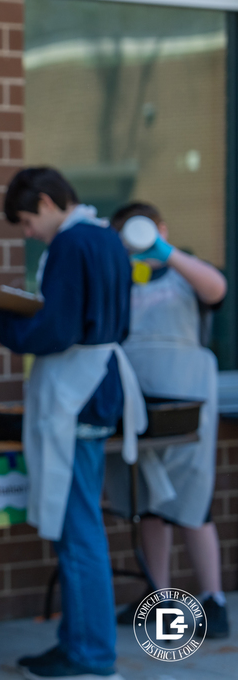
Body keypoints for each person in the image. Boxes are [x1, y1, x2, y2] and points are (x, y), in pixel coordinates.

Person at [0, 168, 144, 680]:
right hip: (102, 387)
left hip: (77, 393)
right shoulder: (109, 239)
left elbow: (56, 330)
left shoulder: (71, 244)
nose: (28, 232)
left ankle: (90, 654)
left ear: (48, 202)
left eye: (27, 220)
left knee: (78, 530)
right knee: (80, 524)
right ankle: (77, 641)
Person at [104, 202, 229, 638]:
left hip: (188, 401)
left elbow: (216, 289)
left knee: (194, 502)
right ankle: (159, 598)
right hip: (139, 402)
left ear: (162, 229)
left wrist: (165, 251)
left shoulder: (183, 271)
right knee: (150, 503)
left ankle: (213, 600)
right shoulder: (123, 279)